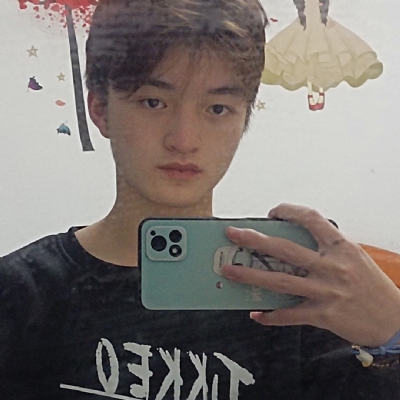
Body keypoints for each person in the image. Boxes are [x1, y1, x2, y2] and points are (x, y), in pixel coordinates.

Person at [0, 0, 399, 399]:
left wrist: (393, 328)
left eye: (218, 108)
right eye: (153, 102)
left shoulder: (296, 292)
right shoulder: (23, 293)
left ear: (243, 118)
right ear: (100, 109)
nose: (184, 139)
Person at [261, 0, 383, 111]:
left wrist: (322, 14)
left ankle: (320, 92)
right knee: (303, 53)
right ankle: (311, 93)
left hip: (319, 21)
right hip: (306, 22)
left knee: (324, 53)